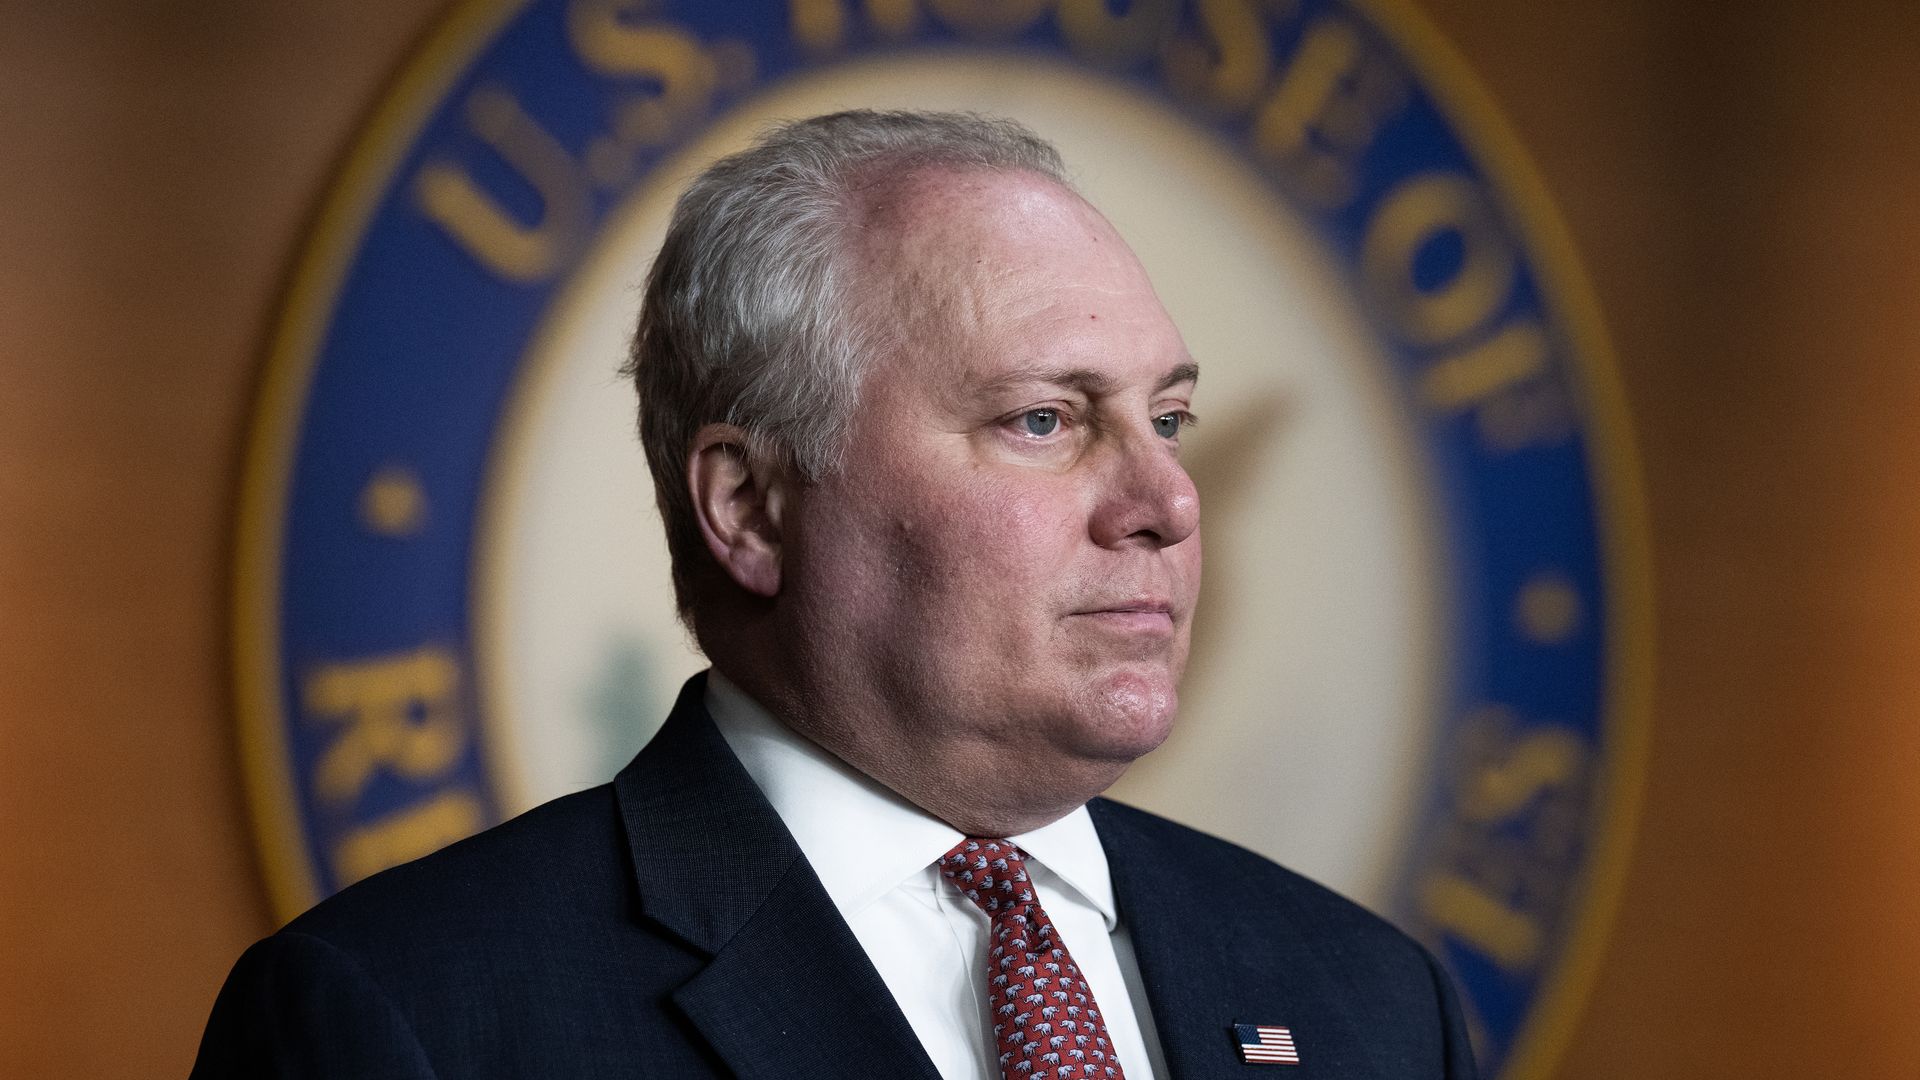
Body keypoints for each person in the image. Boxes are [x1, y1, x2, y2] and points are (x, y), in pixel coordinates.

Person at [193, 110, 1476, 1080]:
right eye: (1045, 418)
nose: (1169, 503)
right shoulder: (407, 1020)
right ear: (749, 505)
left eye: (1172, 418)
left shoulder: (1375, 1004)